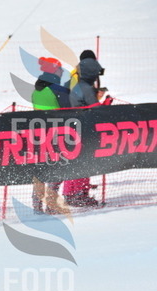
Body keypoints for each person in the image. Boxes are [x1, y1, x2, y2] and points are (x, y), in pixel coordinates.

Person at [63, 53, 107, 208]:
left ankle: (71, 193)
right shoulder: (86, 88)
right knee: (85, 162)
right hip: (86, 129)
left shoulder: (79, 85)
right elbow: (95, 110)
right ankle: (79, 194)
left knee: (77, 161)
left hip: (76, 127)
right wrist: (106, 106)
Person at [30, 57, 71, 215]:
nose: (61, 72)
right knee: (58, 170)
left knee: (40, 171)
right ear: (54, 70)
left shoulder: (37, 90)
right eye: (60, 69)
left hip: (38, 135)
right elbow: (70, 111)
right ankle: (51, 205)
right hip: (57, 135)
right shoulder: (58, 89)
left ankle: (37, 206)